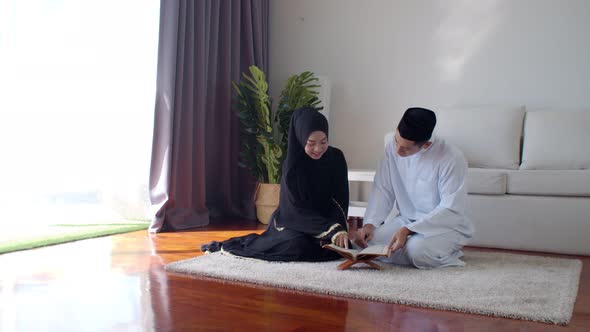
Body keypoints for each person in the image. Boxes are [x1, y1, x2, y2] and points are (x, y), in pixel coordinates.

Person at [201, 107, 350, 261]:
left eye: (323, 142)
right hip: (294, 221)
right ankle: (233, 245)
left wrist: (338, 230)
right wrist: (330, 230)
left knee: (334, 247)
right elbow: (294, 211)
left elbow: (340, 200)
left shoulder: (336, 158)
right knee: (297, 245)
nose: (318, 148)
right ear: (300, 138)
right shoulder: (293, 166)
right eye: (311, 143)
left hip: (326, 222)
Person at [352, 107, 474, 268]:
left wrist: (409, 230)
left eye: (406, 148)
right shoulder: (391, 148)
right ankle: (403, 251)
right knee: (363, 243)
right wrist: (370, 223)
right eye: (396, 141)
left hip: (442, 226)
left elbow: (450, 209)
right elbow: (383, 189)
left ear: (426, 145)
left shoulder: (451, 158)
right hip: (405, 221)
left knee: (417, 251)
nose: (397, 150)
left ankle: (446, 252)